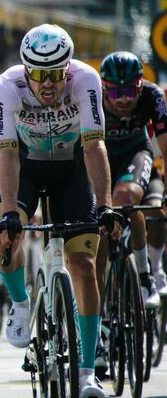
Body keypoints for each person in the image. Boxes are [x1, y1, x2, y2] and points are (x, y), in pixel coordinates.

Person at [0, 24, 118, 397]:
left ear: (69, 68)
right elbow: (8, 153)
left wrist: (106, 205)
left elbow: (94, 147)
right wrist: (11, 213)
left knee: (84, 265)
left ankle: (87, 373)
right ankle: (20, 300)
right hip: (25, 167)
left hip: (71, 168)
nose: (48, 84)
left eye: (57, 74)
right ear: (26, 69)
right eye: (40, 75)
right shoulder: (4, 87)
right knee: (5, 237)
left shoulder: (86, 80)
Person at [93, 51, 167, 374]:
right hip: (101, 160)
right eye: (115, 92)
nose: (123, 100)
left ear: (140, 87)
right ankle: (98, 320)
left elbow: (165, 143)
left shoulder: (152, 96)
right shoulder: (91, 95)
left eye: (129, 92)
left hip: (136, 155)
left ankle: (146, 273)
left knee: (127, 198)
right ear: (103, 88)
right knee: (95, 238)